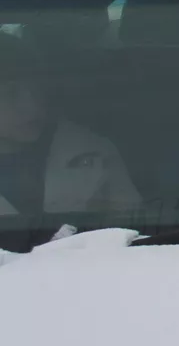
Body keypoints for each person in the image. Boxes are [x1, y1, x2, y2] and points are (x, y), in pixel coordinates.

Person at [0, 33, 140, 217]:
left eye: (36, 88)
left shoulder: (93, 150)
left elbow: (133, 223)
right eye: (11, 94)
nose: (33, 106)